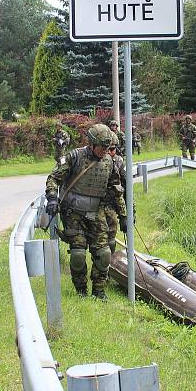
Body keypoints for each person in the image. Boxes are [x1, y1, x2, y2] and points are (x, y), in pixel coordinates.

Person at [45, 124, 127, 300]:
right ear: (91, 144)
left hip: (97, 212)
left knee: (104, 253)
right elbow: (53, 178)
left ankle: (99, 291)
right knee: (78, 254)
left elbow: (116, 190)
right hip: (73, 213)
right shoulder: (74, 157)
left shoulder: (109, 162)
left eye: (107, 148)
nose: (105, 151)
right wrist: (52, 197)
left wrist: (124, 216)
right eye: (102, 147)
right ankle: (81, 290)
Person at [104, 132, 127, 254]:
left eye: (112, 149)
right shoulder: (93, 161)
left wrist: (126, 215)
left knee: (110, 240)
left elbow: (125, 188)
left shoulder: (119, 162)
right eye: (106, 149)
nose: (109, 152)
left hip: (112, 204)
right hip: (91, 206)